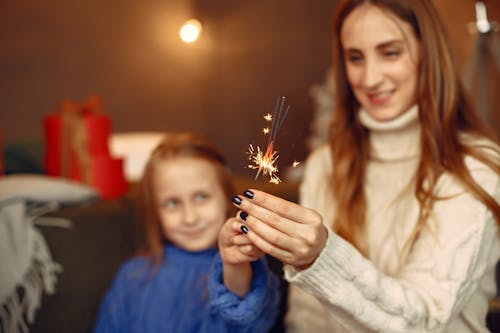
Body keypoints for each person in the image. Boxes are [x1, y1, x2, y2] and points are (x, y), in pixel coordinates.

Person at [229, 0, 500, 332]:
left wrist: (321, 258)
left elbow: (424, 320)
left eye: (390, 53)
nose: (370, 78)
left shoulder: (475, 167)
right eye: (355, 57)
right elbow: (306, 316)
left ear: (429, 53)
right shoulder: (326, 165)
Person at [93, 132, 280, 333]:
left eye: (201, 197)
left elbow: (251, 323)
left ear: (226, 199)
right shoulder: (133, 275)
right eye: (172, 203)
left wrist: (234, 265)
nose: (189, 218)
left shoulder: (244, 267)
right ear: (155, 211)